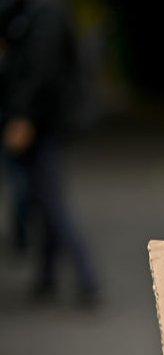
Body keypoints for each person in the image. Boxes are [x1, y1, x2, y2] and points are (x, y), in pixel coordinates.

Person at [0, 0, 100, 305]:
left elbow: (43, 70)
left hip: (39, 122)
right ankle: (48, 277)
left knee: (48, 200)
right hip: (32, 119)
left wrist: (24, 116)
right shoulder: (28, 10)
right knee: (40, 198)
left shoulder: (48, 12)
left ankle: (86, 277)